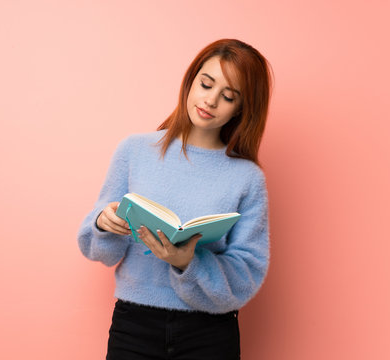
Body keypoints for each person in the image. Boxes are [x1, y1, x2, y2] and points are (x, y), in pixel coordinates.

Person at [77, 38, 272, 360]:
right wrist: (103, 222)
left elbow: (247, 273)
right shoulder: (134, 151)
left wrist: (188, 263)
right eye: (206, 84)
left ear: (242, 107)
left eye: (228, 96)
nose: (210, 101)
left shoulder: (247, 177)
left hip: (209, 333)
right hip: (134, 325)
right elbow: (98, 249)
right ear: (191, 80)